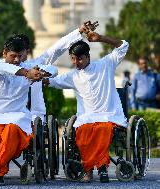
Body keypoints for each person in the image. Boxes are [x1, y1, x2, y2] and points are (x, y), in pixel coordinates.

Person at [0, 22, 97, 186]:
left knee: (12, 131)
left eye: (20, 56)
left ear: (25, 54)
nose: (17, 60)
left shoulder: (29, 66)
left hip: (18, 117)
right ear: (5, 53)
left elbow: (55, 59)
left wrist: (43, 73)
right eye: (13, 56)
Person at [0, 21, 98, 123]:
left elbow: (57, 49)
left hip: (28, 116)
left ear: (26, 52)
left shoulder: (33, 66)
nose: (18, 58)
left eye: (22, 53)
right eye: (14, 54)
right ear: (6, 53)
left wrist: (78, 33)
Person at [43, 30, 129, 183]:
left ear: (88, 57)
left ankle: (101, 168)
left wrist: (101, 38)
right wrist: (38, 76)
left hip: (109, 114)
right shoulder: (72, 75)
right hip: (86, 118)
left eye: (79, 59)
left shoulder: (106, 64)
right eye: (73, 59)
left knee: (102, 129)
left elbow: (123, 46)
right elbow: (53, 82)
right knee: (82, 133)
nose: (76, 62)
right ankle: (89, 170)